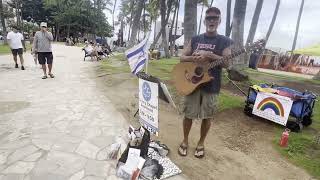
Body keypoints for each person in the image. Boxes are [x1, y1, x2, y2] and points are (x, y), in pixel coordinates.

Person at [178, 7, 233, 158]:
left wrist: (209, 54)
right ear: (205, 21)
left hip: (211, 86)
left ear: (219, 21)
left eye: (215, 18)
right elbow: (182, 57)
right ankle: (185, 140)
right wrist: (193, 58)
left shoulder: (225, 41)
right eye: (209, 18)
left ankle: (201, 143)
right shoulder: (195, 39)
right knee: (188, 115)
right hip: (192, 84)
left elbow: (227, 64)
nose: (212, 21)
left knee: (207, 117)